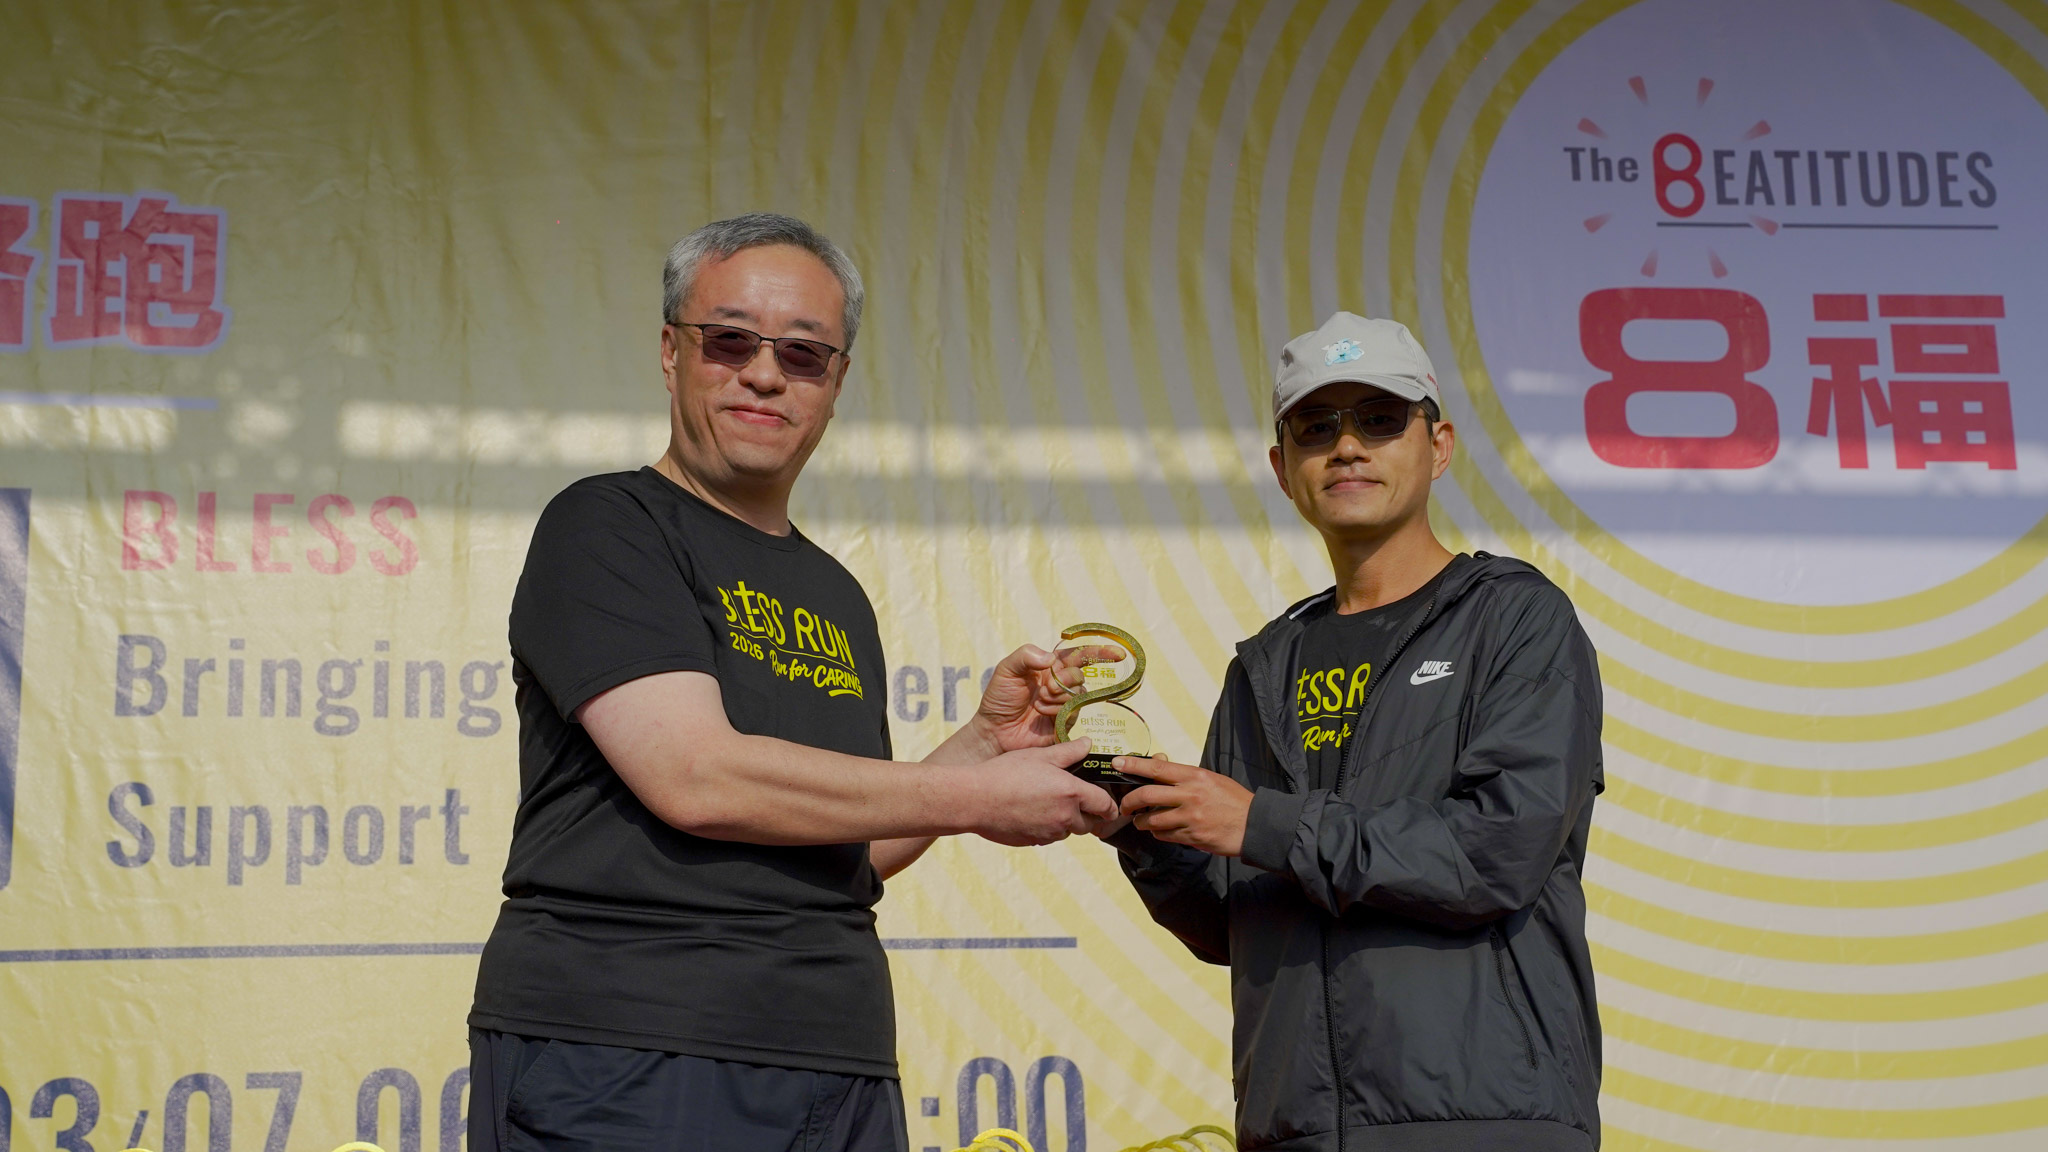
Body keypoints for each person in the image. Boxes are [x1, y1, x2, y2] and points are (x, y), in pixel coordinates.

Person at [467, 213, 1117, 1152]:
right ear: (671, 352)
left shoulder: (833, 591)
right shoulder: (608, 524)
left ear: (837, 382)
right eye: (731, 340)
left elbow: (849, 847)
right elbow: (696, 776)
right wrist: (979, 796)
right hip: (631, 1048)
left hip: (836, 1054)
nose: (765, 374)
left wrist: (982, 746)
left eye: (804, 353)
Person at [1100, 313, 1605, 1150]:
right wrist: (1134, 818)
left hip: (1483, 1125)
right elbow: (1230, 923)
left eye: (1378, 418)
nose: (1345, 447)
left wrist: (1261, 822)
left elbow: (1496, 852)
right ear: (1282, 468)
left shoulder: (1516, 620)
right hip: (1295, 1126)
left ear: (1438, 446)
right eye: (1315, 426)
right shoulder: (1264, 664)